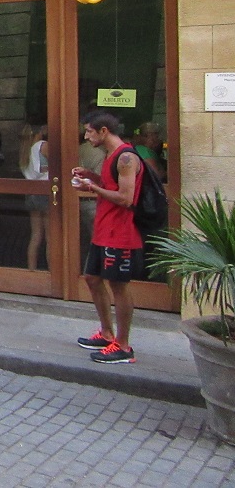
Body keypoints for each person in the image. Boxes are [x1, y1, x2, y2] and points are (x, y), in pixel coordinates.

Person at [71, 111, 144, 364]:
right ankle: (106, 333)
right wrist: (93, 178)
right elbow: (113, 186)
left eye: (90, 131)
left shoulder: (125, 157)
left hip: (120, 233)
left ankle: (123, 346)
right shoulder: (111, 156)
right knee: (92, 278)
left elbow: (125, 198)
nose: (86, 136)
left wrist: (92, 188)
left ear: (104, 131)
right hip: (104, 231)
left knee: (118, 286)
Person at [20, 124, 49, 271]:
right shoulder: (42, 145)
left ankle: (32, 270)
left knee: (36, 234)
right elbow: (59, 162)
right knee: (51, 237)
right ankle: (53, 271)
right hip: (45, 192)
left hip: (30, 193)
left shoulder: (25, 149)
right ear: (41, 131)